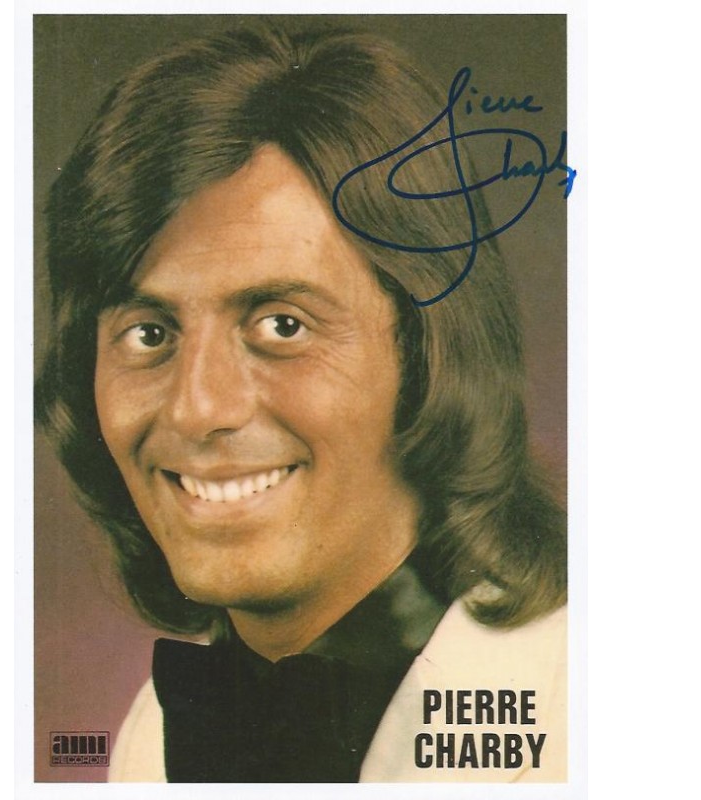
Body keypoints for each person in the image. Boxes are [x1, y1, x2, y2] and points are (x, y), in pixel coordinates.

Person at [36, 23, 567, 783]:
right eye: (150, 333)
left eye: (282, 325)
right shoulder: (152, 738)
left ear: (429, 355)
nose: (197, 409)